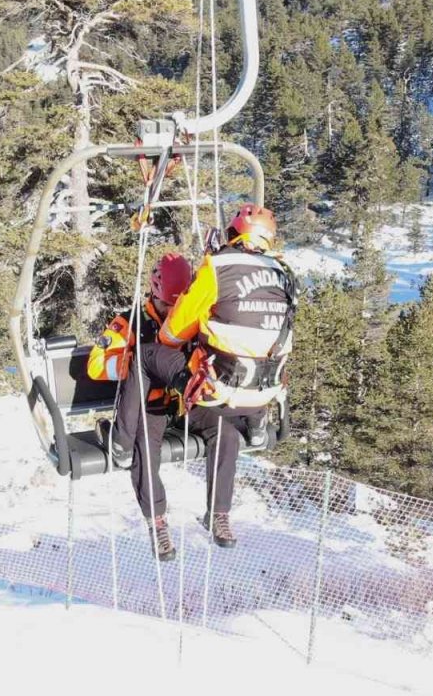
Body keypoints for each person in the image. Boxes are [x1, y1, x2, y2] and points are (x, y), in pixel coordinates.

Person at [111, 204, 297, 556]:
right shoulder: (283, 275)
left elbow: (174, 333)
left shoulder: (219, 269)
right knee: (147, 439)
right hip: (241, 392)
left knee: (221, 428)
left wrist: (186, 330)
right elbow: (98, 364)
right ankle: (160, 521)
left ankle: (218, 511)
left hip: (204, 390)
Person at [87, 253, 193, 561]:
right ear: (154, 296)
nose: (171, 312)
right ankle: (157, 522)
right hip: (145, 407)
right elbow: (96, 365)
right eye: (165, 306)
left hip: (175, 405)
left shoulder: (190, 319)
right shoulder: (130, 321)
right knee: (144, 451)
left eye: (176, 307)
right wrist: (133, 363)